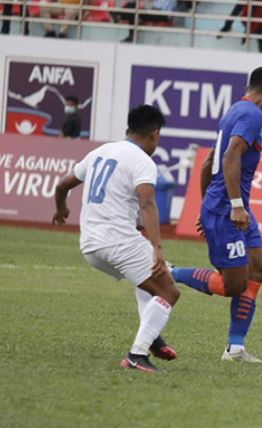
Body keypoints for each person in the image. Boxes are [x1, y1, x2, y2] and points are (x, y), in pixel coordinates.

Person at [51, 105, 180, 373]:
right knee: (168, 290)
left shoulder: (100, 151)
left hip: (90, 246)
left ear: (127, 130)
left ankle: (152, 337)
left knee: (150, 280)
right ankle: (137, 354)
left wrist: (61, 209)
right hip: (118, 241)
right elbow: (147, 204)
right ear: (155, 134)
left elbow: (62, 185)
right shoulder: (143, 161)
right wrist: (157, 247)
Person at [169, 67, 262, 364]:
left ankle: (235, 349)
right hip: (230, 209)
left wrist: (207, 207)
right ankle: (169, 272)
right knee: (234, 285)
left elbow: (208, 163)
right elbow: (230, 156)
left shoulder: (233, 111)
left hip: (230, 207)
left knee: (256, 272)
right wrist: (232, 205)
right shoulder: (253, 114)